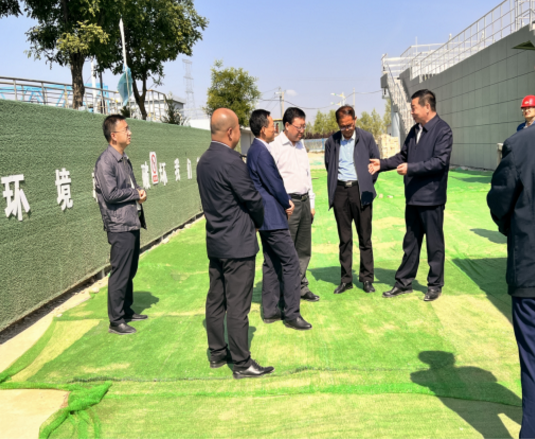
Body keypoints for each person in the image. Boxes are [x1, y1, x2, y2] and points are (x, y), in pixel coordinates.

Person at [197, 108, 274, 379]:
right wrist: (257, 222)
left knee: (216, 300)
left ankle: (217, 353)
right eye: (239, 129)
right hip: (238, 244)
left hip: (216, 241)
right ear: (230, 132)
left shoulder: (204, 161)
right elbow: (253, 199)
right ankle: (242, 363)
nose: (240, 134)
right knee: (238, 305)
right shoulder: (232, 162)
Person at [369, 89, 452, 302]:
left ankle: (435, 285)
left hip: (431, 198)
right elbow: (403, 156)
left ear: (427, 107)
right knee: (411, 243)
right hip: (413, 197)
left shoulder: (442, 130)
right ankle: (404, 283)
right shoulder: (415, 130)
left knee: (434, 244)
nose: (411, 112)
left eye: (414, 108)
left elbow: (439, 162)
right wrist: (382, 164)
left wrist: (411, 168)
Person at [487, 126, 535, 437]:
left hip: (530, 269)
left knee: (532, 360)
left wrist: (512, 229)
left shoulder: (519, 144)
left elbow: (500, 202)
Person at [247, 109, 313, 331]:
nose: (273, 129)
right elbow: (274, 182)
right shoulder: (262, 151)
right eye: (270, 125)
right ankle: (292, 314)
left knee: (271, 262)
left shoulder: (257, 149)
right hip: (273, 216)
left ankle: (271, 310)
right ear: (262, 129)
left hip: (267, 216)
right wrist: (287, 202)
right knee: (291, 262)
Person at [94, 115, 148, 335]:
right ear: (114, 136)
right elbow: (111, 194)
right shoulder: (105, 162)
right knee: (120, 272)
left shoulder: (124, 159)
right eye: (126, 129)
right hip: (119, 225)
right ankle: (115, 321)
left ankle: (126, 310)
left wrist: (139, 194)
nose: (130, 132)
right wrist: (135, 193)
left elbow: (129, 187)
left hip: (131, 221)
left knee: (130, 269)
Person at [324, 105, 380, 295]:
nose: (346, 129)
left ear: (355, 120)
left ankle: (367, 278)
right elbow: (329, 165)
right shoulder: (332, 142)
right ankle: (346, 279)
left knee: (365, 237)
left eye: (349, 125)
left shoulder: (366, 138)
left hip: (361, 191)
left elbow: (375, 163)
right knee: (344, 239)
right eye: (342, 126)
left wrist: (366, 183)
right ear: (338, 124)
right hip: (340, 192)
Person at [268, 107, 319, 302]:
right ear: (287, 125)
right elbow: (271, 179)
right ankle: (284, 291)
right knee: (287, 250)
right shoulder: (274, 147)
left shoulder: (300, 146)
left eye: (304, 126)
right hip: (287, 205)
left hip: (304, 202)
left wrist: (311, 202)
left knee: (303, 249)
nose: (302, 131)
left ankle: (301, 287)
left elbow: (307, 175)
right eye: (299, 127)